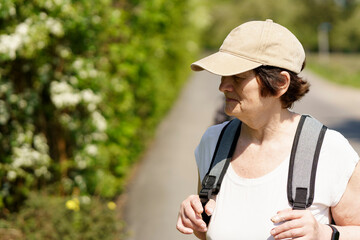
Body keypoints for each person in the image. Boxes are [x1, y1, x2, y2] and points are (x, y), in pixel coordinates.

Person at [176, 19, 360, 239]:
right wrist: (196, 221)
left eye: (237, 77)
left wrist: (323, 233)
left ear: (280, 82)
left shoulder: (330, 150)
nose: (223, 86)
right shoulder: (213, 141)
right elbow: (207, 232)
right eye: (222, 75)